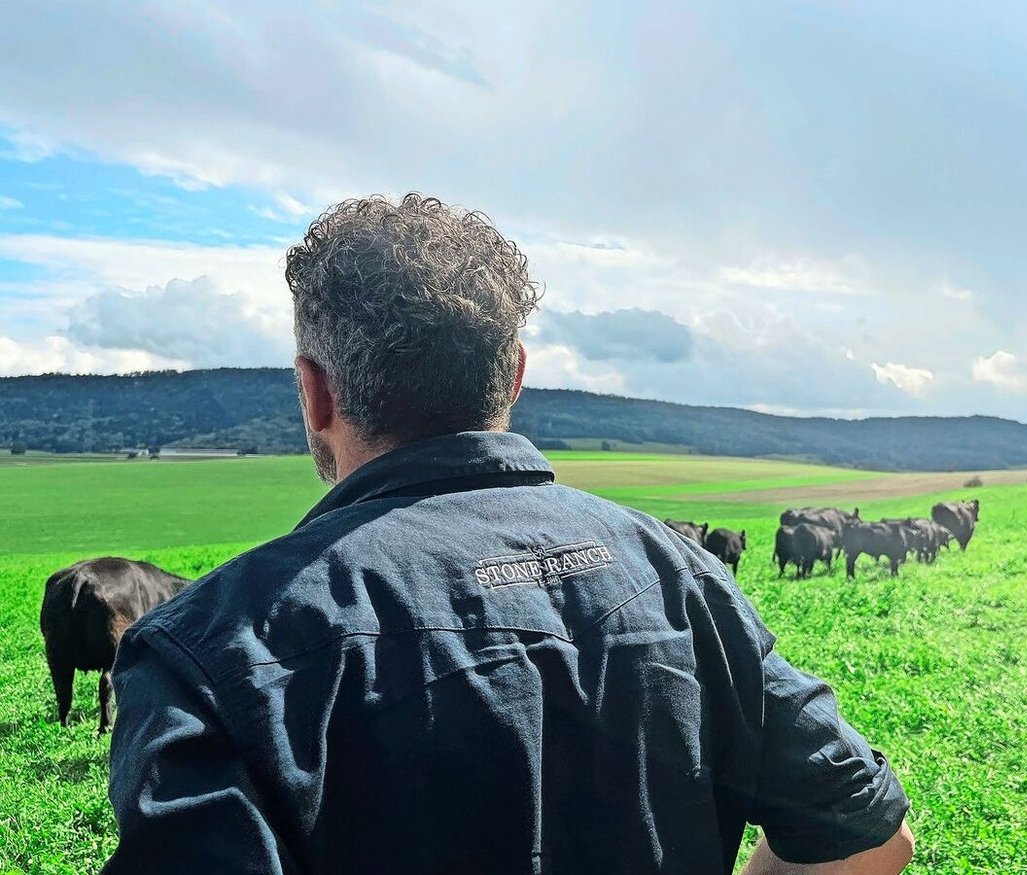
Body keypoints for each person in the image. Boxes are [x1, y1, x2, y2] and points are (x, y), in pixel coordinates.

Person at [104, 194, 914, 874]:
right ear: (515, 374)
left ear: (315, 394)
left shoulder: (211, 653)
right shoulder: (680, 575)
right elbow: (874, 833)